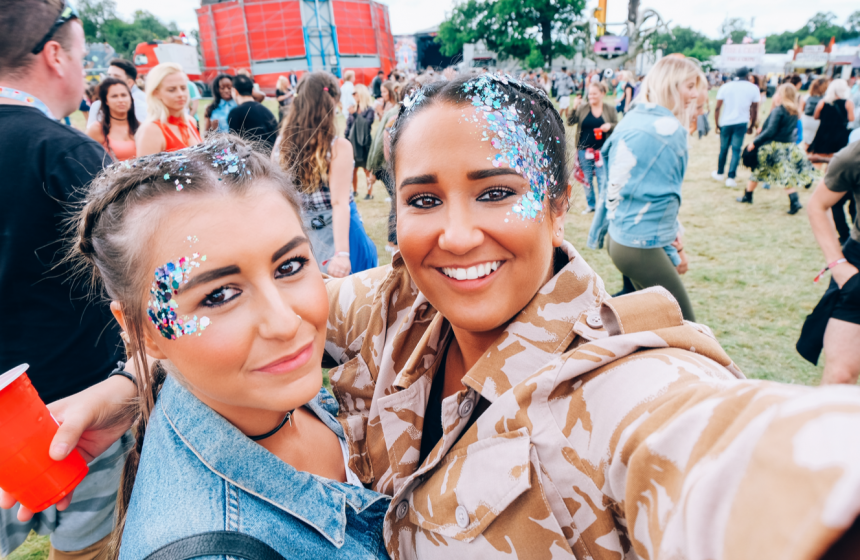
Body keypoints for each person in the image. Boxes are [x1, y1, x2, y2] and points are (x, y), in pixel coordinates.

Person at [26, 73, 860, 560]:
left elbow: (716, 444)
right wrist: (129, 385)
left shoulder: (615, 388)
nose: (458, 234)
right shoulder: (401, 304)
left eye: (497, 191)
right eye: (425, 198)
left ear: (561, 203)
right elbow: (255, 324)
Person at [69, 135, 390, 560]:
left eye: (289, 266)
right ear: (143, 330)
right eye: (219, 295)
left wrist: (131, 381)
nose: (284, 322)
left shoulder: (249, 388)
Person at [0, 2, 128, 559]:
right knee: (88, 553)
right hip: (81, 407)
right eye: (80, 57)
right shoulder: (69, 154)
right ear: (54, 56)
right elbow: (146, 283)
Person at [589, 57, 701, 321]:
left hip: (618, 238)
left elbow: (616, 185)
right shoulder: (670, 130)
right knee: (685, 326)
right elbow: (666, 202)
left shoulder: (634, 117)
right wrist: (677, 252)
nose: (695, 94)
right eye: (690, 86)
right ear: (670, 85)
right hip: (640, 245)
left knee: (645, 321)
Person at [273, 71, 377, 277]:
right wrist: (342, 254)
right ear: (330, 104)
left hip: (306, 232)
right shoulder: (338, 147)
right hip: (335, 233)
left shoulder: (280, 144)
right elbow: (339, 203)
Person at [799, 139, 860, 385]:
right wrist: (837, 265)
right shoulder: (855, 155)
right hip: (857, 270)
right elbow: (818, 205)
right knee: (840, 375)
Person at [736, 83, 817, 214]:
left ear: (782, 95)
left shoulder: (779, 110)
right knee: (773, 172)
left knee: (762, 171)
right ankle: (793, 200)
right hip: (787, 145)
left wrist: (755, 142)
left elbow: (770, 131)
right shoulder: (794, 111)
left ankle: (749, 196)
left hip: (773, 146)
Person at [567, 81, 618, 214]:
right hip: (584, 151)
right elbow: (570, 122)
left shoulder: (610, 109)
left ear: (602, 94)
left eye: (595, 94)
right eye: (590, 94)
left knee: (603, 179)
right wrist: (574, 107)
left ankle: (602, 206)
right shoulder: (583, 108)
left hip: (602, 152)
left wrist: (609, 126)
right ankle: (591, 205)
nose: (591, 96)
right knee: (587, 180)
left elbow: (617, 127)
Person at [135, 63, 201, 156]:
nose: (180, 94)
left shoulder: (190, 122)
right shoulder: (151, 131)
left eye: (183, 88)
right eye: (172, 89)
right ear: (156, 93)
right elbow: (144, 170)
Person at [712, 66, 760, 188]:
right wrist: (752, 125)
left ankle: (720, 173)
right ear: (748, 75)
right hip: (741, 122)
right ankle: (731, 177)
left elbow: (717, 108)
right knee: (736, 150)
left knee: (723, 149)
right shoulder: (753, 88)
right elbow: (754, 109)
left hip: (726, 122)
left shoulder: (726, 86)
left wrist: (717, 123)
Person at [86, 77, 140, 161]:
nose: (120, 100)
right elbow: (87, 160)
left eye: (124, 95)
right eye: (114, 96)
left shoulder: (142, 127)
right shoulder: (98, 129)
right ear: (106, 101)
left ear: (130, 98)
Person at [86, 58, 147, 127]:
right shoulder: (97, 106)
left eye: (116, 77)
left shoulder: (143, 106)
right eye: (109, 76)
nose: (109, 80)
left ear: (129, 82)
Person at [227, 74, 279, 152]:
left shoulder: (235, 113)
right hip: (270, 159)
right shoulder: (266, 110)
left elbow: (235, 144)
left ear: (235, 91)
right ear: (252, 90)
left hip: (254, 161)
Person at [808, 79, 855, 158]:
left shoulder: (823, 102)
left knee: (819, 157)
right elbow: (851, 119)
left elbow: (816, 116)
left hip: (823, 133)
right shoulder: (848, 103)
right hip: (839, 134)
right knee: (835, 158)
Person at [346, 84, 376, 198]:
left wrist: (354, 113)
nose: (353, 95)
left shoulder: (369, 109)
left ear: (361, 94)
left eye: (355, 93)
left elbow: (367, 124)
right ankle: (354, 191)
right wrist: (346, 137)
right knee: (353, 168)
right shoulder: (353, 107)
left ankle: (369, 193)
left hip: (364, 143)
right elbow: (348, 125)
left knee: (366, 169)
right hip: (353, 143)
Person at [801, 77, 829, 146]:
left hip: (806, 120)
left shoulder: (807, 96)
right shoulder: (826, 98)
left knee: (807, 142)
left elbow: (802, 109)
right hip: (818, 122)